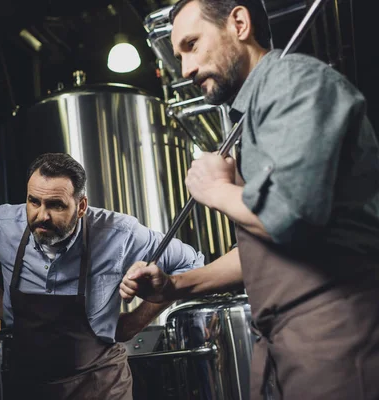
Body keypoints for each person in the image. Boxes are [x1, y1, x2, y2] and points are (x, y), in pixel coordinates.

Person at [120, 0, 379, 399]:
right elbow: (263, 249)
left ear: (239, 23)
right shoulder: (254, 114)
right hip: (287, 346)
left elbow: (292, 216)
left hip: (339, 332)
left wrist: (215, 190)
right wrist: (175, 285)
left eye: (192, 44)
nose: (185, 69)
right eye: (178, 56)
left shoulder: (294, 82)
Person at [0, 153, 204, 400]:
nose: (42, 215)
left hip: (100, 386)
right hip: (30, 385)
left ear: (81, 206)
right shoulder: (3, 225)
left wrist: (138, 320)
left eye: (56, 205)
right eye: (33, 201)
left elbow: (190, 261)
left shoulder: (119, 234)